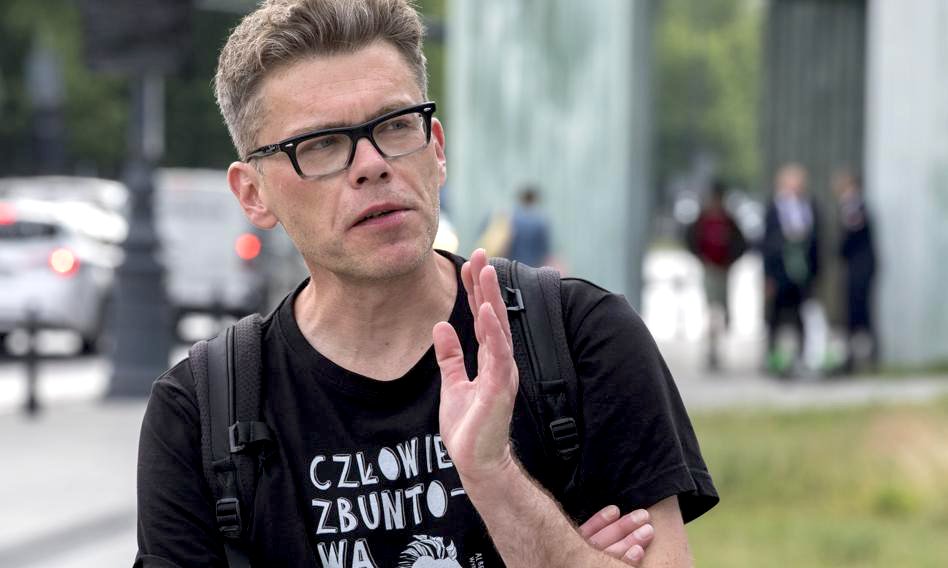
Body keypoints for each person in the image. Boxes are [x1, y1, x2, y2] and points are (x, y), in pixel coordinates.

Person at [135, 1, 718, 566]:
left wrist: (496, 478)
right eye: (321, 144)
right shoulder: (200, 414)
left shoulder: (581, 338)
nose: (372, 164)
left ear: (436, 149)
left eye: (393, 126)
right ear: (253, 194)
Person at [761, 163, 821, 376]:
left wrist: (815, 272)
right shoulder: (774, 209)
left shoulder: (810, 207)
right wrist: (768, 275)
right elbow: (766, 244)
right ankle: (773, 358)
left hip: (802, 273)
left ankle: (800, 357)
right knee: (775, 317)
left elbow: (817, 243)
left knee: (801, 316)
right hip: (779, 272)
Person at [685, 179, 747, 370]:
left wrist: (730, 261)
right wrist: (702, 258)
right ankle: (712, 348)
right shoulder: (702, 220)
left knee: (722, 309)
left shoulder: (728, 221)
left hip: (724, 270)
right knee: (712, 310)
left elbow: (741, 243)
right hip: (710, 269)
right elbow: (691, 239)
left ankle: (718, 345)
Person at [832, 170, 877, 372]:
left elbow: (850, 238)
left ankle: (859, 357)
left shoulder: (852, 206)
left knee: (858, 311)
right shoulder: (854, 205)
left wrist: (838, 252)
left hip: (859, 268)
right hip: (859, 267)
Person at [506, 185, 552, 267]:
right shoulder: (540, 221)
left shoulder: (511, 218)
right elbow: (544, 249)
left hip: (513, 265)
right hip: (533, 266)